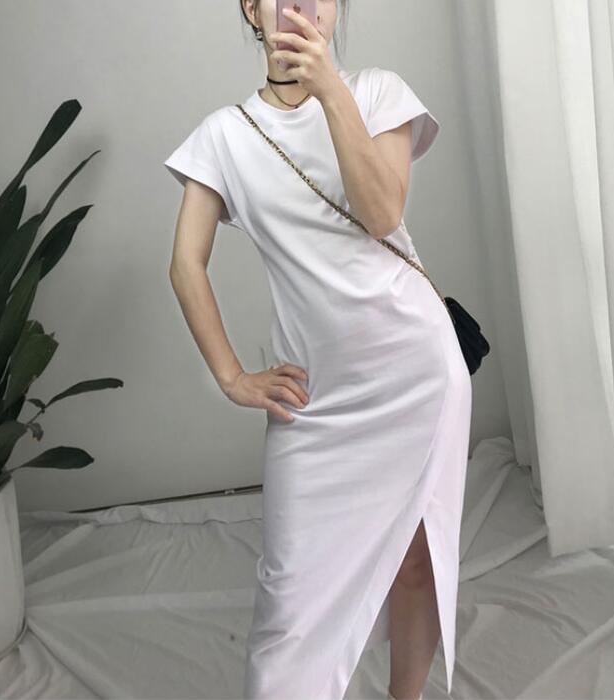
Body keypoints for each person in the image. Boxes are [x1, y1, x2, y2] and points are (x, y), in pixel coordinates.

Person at [163, 2, 472, 698]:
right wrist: (232, 376)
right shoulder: (225, 136)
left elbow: (382, 213)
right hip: (317, 401)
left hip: (416, 376)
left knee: (416, 562)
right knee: (289, 607)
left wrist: (330, 90)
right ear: (252, 6)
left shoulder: (378, 93)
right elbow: (185, 264)